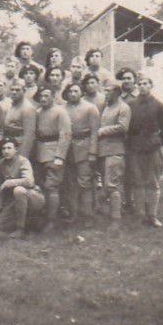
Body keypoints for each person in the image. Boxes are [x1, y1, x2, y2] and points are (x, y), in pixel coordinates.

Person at [127, 75, 163, 228]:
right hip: (135, 148)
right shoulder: (131, 105)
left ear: (151, 85)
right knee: (137, 181)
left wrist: (156, 143)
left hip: (152, 148)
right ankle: (140, 215)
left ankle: (152, 216)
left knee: (152, 182)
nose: (142, 86)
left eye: (145, 83)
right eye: (139, 84)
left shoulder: (159, 106)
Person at [0, 137, 45, 239]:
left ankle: (21, 229)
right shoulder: (1, 164)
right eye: (3, 149)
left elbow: (29, 181)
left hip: (33, 197)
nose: (6, 151)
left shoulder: (23, 161)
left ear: (16, 150)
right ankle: (29, 222)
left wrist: (10, 182)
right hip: (16, 200)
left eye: (9, 148)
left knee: (18, 190)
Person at [35, 86, 72, 233]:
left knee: (52, 187)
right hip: (40, 153)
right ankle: (43, 217)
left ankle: (52, 221)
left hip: (53, 153)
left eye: (46, 96)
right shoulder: (38, 112)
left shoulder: (60, 112)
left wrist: (60, 156)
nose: (43, 99)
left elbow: (66, 134)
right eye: (41, 96)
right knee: (42, 186)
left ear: (53, 96)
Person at [63, 82, 100, 226]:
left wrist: (92, 152)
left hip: (84, 148)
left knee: (85, 183)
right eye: (70, 91)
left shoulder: (90, 108)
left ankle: (88, 215)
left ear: (81, 92)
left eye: (75, 91)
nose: (72, 94)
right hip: (68, 150)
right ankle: (73, 213)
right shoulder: (63, 108)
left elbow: (95, 132)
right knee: (70, 183)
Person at [97, 78, 131, 229]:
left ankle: (116, 219)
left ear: (116, 93)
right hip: (103, 150)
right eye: (105, 91)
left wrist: (103, 131)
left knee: (112, 185)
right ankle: (105, 212)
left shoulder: (123, 108)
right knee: (105, 184)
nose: (105, 94)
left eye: (108, 91)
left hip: (115, 150)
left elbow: (123, 127)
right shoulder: (107, 107)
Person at [115, 66, 139, 212]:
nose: (127, 81)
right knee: (124, 170)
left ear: (134, 80)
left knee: (137, 169)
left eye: (129, 78)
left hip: (137, 138)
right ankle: (128, 200)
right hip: (122, 138)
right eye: (124, 78)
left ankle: (139, 201)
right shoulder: (119, 98)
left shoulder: (139, 96)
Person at [3, 78, 36, 159]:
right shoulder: (11, 104)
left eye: (17, 90)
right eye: (12, 89)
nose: (14, 92)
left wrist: (23, 157)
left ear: (24, 91)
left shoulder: (27, 108)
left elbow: (29, 135)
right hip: (9, 143)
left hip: (19, 146)